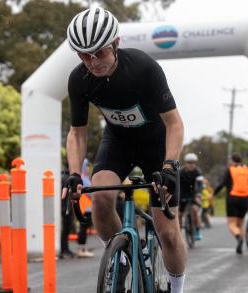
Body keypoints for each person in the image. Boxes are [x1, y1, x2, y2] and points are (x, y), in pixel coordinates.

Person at [62, 7, 186, 292]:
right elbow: (77, 134)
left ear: (116, 43)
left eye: (100, 53)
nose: (93, 62)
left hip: (156, 145)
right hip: (117, 142)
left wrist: (169, 166)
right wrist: (73, 174)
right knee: (102, 198)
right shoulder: (78, 79)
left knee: (167, 232)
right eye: (84, 55)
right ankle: (116, 256)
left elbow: (175, 124)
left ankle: (177, 288)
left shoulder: (143, 68)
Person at [214, 153, 248, 254]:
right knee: (240, 223)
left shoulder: (230, 170)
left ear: (232, 161)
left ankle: (238, 238)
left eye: (230, 160)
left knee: (231, 223)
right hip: (245, 199)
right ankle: (241, 244)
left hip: (232, 198)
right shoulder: (246, 169)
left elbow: (222, 184)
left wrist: (213, 194)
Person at [179, 153, 203, 241]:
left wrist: (198, 194)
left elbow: (200, 185)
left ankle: (197, 230)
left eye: (193, 163)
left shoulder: (198, 172)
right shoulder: (180, 172)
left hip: (193, 193)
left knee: (195, 211)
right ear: (185, 163)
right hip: (182, 194)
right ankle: (179, 232)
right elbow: (177, 185)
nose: (191, 165)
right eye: (189, 163)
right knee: (179, 214)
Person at [77, 158, 95, 258]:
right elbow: (89, 192)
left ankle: (82, 248)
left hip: (87, 207)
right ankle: (81, 249)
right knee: (83, 228)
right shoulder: (83, 178)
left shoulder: (85, 177)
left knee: (84, 228)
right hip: (85, 207)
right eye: (86, 166)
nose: (88, 168)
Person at [60, 169, 75, 259]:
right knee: (66, 230)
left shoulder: (59, 179)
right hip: (66, 207)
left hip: (61, 207)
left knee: (63, 230)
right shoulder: (68, 179)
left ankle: (63, 249)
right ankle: (65, 249)